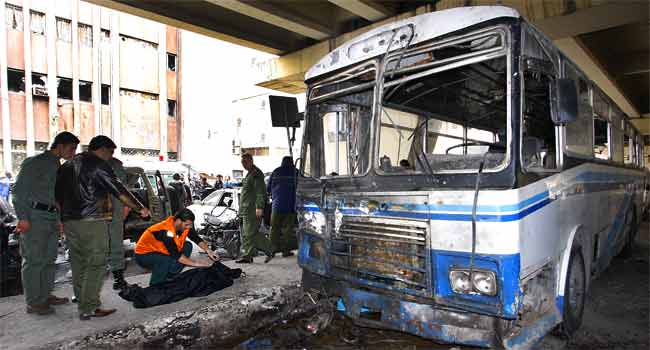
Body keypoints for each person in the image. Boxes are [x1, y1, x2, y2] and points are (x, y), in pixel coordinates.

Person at [55, 135, 150, 321]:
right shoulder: (98, 164)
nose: (111, 156)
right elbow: (118, 189)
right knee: (96, 262)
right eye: (110, 152)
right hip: (92, 220)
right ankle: (89, 307)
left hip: (70, 222)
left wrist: (62, 219)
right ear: (103, 149)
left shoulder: (67, 165)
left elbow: (57, 195)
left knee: (79, 262)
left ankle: (82, 302)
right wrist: (140, 208)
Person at [13, 131, 79, 315]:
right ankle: (34, 302)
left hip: (50, 217)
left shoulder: (58, 166)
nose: (73, 153)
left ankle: (45, 295)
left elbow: (55, 196)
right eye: (71, 149)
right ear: (60, 146)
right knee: (34, 260)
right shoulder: (35, 163)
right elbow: (18, 191)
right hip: (34, 217)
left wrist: (59, 220)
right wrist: (23, 217)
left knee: (49, 260)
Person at [134, 208, 218, 285]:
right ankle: (155, 285)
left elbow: (196, 238)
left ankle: (170, 276)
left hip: (161, 251)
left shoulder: (184, 226)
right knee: (164, 260)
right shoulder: (165, 231)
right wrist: (199, 264)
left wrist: (208, 250)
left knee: (187, 246)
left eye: (190, 225)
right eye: (187, 224)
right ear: (178, 221)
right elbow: (177, 255)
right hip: (143, 255)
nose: (189, 227)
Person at [236, 154, 274, 264]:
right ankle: (267, 250)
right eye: (242, 162)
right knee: (251, 233)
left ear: (251, 161)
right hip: (247, 209)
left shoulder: (256, 174)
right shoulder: (250, 174)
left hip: (253, 209)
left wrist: (259, 207)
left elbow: (260, 192)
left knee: (249, 233)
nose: (243, 164)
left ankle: (249, 255)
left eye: (246, 161)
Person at [267, 156, 298, 258]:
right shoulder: (296, 172)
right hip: (290, 206)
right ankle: (286, 251)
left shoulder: (276, 171)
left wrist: (275, 195)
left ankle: (271, 251)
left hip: (276, 206)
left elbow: (268, 189)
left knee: (274, 229)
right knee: (287, 230)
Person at [107, 156, 130, 290]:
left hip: (114, 210)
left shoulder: (115, 165)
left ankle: (119, 279)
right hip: (91, 212)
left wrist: (126, 207)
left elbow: (123, 189)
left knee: (116, 245)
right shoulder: (82, 163)